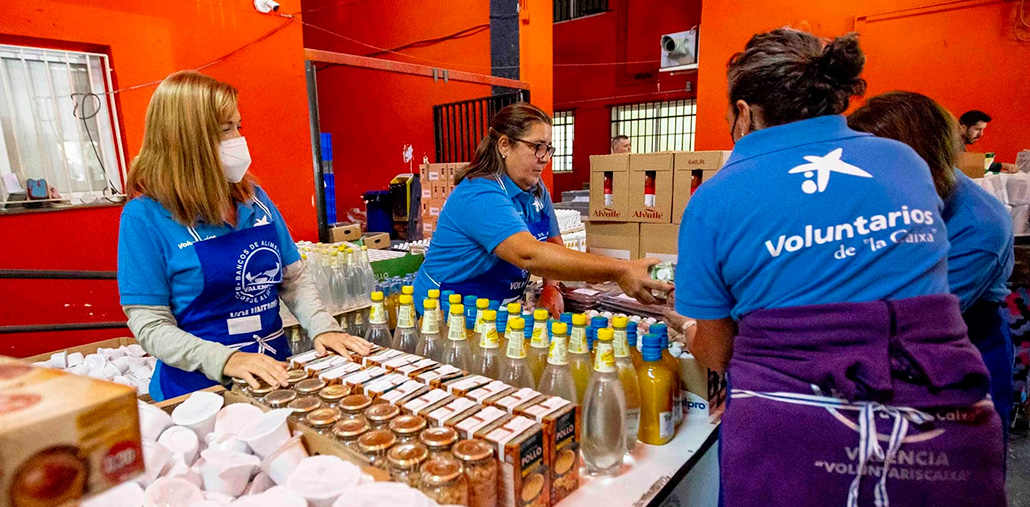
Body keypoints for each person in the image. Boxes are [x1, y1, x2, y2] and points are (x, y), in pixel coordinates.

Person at [676, 28, 1007, 507]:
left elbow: (717, 349)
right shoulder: (902, 161)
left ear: (744, 111)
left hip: (797, 440)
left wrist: (690, 331)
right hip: (938, 425)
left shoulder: (717, 197)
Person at [117, 71, 371, 401]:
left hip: (274, 374)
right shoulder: (145, 218)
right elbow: (151, 326)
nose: (238, 139)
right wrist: (227, 359)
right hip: (197, 391)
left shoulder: (254, 199)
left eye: (239, 126)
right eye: (225, 130)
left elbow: (292, 279)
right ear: (187, 141)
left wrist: (322, 326)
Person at [850, 91, 1016, 441]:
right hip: (876, 337)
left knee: (955, 475)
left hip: (957, 348)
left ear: (920, 160)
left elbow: (912, 324)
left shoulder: (980, 224)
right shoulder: (883, 194)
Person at [412, 103, 669, 316]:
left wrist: (552, 287)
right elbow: (529, 254)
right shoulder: (479, 194)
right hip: (449, 311)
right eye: (537, 146)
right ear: (504, 145)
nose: (545, 157)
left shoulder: (535, 188)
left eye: (548, 148)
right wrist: (619, 269)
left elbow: (553, 244)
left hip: (498, 309)